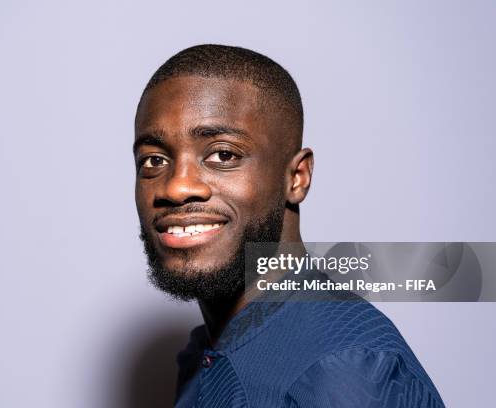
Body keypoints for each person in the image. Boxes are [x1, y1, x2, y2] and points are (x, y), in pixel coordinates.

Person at [133, 44, 444, 407]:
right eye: (154, 160)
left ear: (296, 178)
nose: (176, 186)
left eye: (223, 154)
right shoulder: (204, 353)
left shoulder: (343, 371)